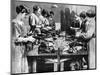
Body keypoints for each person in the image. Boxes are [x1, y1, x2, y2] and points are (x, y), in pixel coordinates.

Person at [12, 5, 29, 73]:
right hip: (17, 48)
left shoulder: (21, 22)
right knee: (18, 66)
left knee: (23, 66)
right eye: (25, 14)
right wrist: (28, 39)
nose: (25, 16)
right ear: (21, 13)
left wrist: (28, 37)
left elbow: (23, 34)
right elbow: (16, 39)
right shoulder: (14, 23)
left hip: (22, 47)